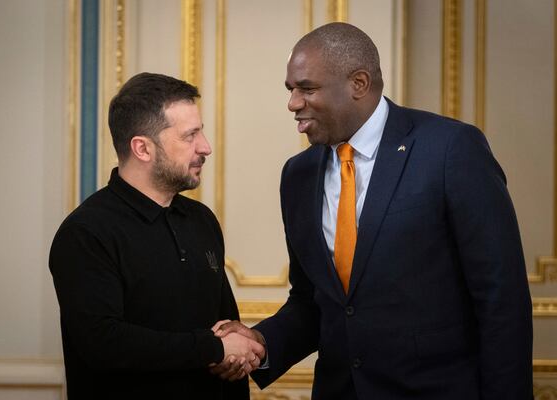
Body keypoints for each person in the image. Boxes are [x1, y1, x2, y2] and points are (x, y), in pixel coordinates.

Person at [214, 23, 533, 399]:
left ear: (359, 84)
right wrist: (262, 342)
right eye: (291, 90)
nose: (293, 103)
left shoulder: (449, 149)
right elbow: (314, 302)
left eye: (307, 88)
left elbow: (501, 300)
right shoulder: (297, 175)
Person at [49, 73, 263, 399]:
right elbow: (102, 343)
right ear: (143, 148)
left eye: (200, 131)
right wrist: (212, 348)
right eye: (190, 135)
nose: (205, 147)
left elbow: (225, 328)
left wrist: (236, 353)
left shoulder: (201, 220)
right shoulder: (85, 233)